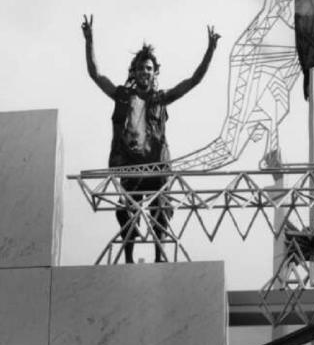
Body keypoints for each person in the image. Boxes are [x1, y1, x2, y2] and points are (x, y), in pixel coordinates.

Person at [81, 14, 220, 263]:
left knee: (161, 211)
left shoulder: (160, 98)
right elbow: (95, 74)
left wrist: (210, 50)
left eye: (149, 69)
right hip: (130, 165)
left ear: (154, 72)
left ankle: (159, 257)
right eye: (141, 68)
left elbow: (193, 81)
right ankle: (129, 259)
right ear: (133, 72)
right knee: (127, 213)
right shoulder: (122, 95)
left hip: (156, 166)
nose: (145, 72)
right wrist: (89, 40)